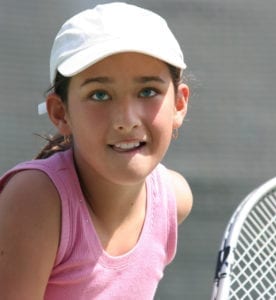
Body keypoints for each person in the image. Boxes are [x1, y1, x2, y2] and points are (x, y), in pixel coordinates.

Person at [0, 2, 192, 299]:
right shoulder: (34, 199)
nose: (126, 120)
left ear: (179, 104)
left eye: (148, 91)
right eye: (99, 95)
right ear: (60, 113)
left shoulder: (174, 199)